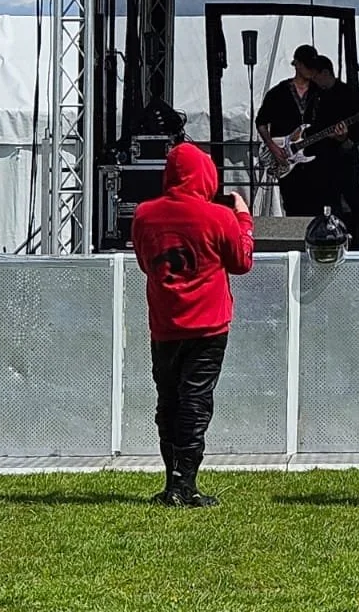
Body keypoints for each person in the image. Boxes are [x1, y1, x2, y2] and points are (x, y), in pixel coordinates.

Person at [131, 141, 254, 508]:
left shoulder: (144, 215)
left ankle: (173, 481)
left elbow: (145, 264)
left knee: (168, 401)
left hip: (164, 323)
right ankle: (185, 484)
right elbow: (242, 262)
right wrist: (243, 219)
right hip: (207, 326)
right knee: (195, 402)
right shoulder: (219, 217)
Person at [305, 55, 359, 250]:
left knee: (352, 195)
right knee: (328, 199)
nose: (313, 80)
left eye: (316, 76)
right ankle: (329, 238)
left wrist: (350, 139)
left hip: (344, 154)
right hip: (321, 155)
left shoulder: (347, 92)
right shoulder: (314, 95)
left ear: (326, 73)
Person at [254, 44, 323, 217]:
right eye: (307, 65)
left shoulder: (320, 93)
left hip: (315, 159)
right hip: (287, 159)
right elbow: (261, 122)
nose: (310, 70)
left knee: (316, 207)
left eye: (313, 66)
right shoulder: (278, 93)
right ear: (297, 64)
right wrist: (272, 146)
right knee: (292, 206)